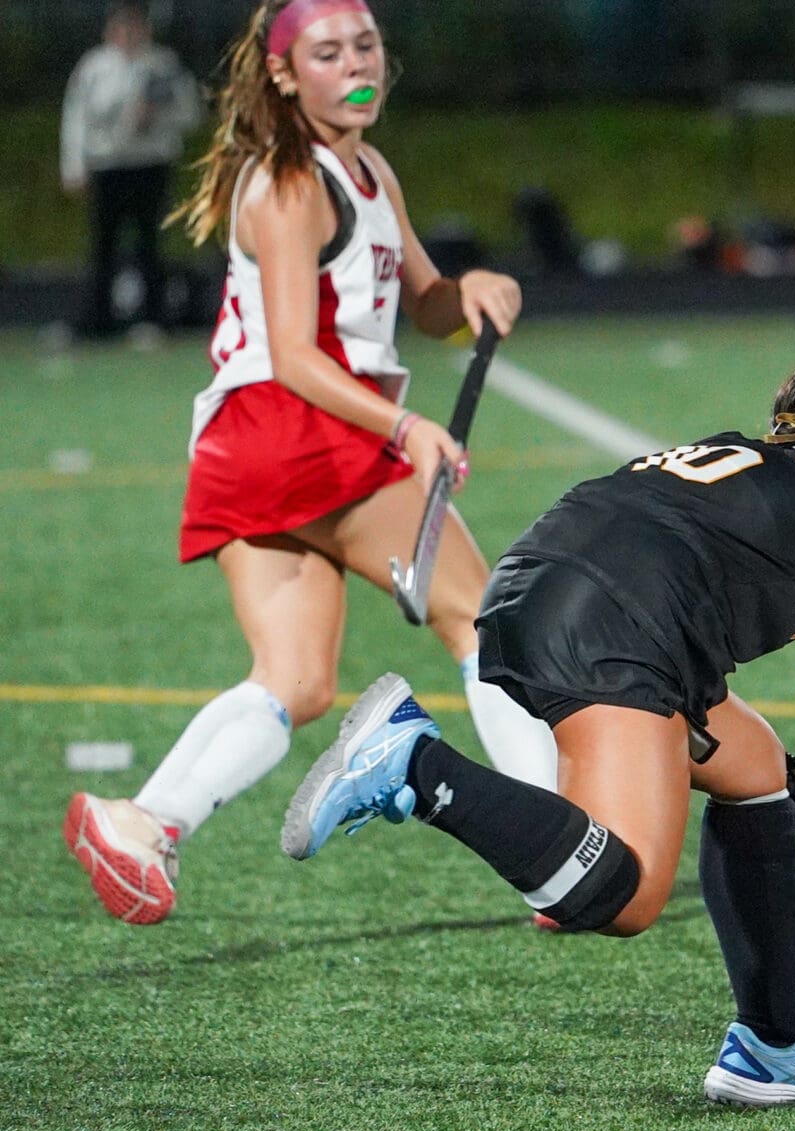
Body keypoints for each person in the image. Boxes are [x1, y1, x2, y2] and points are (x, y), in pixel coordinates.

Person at [280, 353, 795, 1107]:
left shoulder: (748, 457)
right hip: (616, 621)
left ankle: (776, 1042)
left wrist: (784, 788)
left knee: (757, 767)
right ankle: (416, 766)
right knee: (628, 896)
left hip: (532, 584)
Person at [64, 0, 555, 927]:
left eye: (365, 45)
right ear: (286, 75)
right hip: (301, 431)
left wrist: (470, 290)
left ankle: (142, 821)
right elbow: (294, 355)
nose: (356, 65)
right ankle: (551, 849)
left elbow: (427, 302)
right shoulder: (292, 185)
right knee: (486, 624)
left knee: (295, 680)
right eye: (329, 53)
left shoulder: (367, 170)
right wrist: (405, 429)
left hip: (245, 448)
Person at [60, 2, 203, 339]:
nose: (128, 33)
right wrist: (74, 167)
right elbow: (76, 119)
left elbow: (191, 115)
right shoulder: (94, 66)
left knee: (149, 243)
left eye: (134, 26)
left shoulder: (163, 64)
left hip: (150, 165)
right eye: (121, 26)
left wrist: (157, 115)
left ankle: (152, 318)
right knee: (103, 245)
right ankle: (97, 320)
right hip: (108, 167)